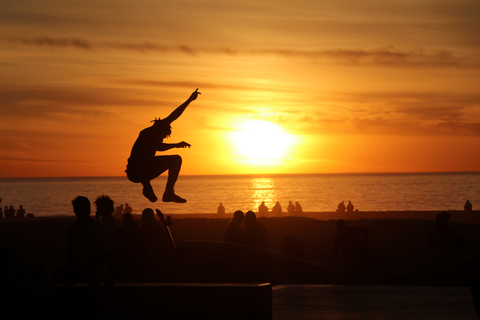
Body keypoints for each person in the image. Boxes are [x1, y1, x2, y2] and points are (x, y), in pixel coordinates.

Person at [125, 89, 201, 203]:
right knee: (175, 159)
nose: (162, 138)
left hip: (142, 170)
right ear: (159, 131)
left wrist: (190, 99)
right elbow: (159, 147)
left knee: (151, 160)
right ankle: (155, 190)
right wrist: (176, 145)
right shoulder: (146, 134)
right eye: (163, 136)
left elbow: (175, 114)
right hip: (135, 172)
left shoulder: (159, 128)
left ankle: (161, 191)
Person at [51, 196, 109, 287]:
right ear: (74, 211)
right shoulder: (71, 229)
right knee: (52, 277)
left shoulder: (99, 227)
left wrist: (86, 263)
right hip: (77, 264)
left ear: (89, 210)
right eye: (78, 209)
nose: (80, 212)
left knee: (93, 279)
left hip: (97, 265)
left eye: (83, 209)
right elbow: (69, 255)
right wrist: (76, 264)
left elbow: (104, 254)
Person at [94, 195, 118, 278]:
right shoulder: (107, 219)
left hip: (108, 251)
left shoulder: (108, 220)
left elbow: (108, 236)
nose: (97, 209)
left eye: (98, 207)